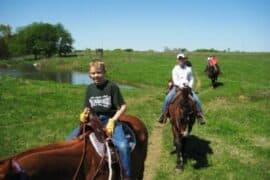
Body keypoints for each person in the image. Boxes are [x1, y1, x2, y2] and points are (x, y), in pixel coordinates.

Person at [67, 59, 131, 179]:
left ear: (104, 72)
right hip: (94, 121)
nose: (96, 76)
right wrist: (84, 114)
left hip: (109, 119)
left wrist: (113, 120)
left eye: (98, 72)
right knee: (69, 140)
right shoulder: (90, 88)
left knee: (123, 146)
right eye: (93, 73)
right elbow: (88, 106)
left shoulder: (112, 87)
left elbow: (123, 106)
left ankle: (127, 176)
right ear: (89, 74)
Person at [158, 53, 205, 125]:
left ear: (184, 59)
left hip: (187, 88)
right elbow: (175, 79)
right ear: (177, 60)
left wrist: (190, 85)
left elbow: (191, 78)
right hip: (177, 88)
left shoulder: (188, 69)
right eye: (179, 59)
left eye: (182, 59)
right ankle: (163, 114)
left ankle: (199, 116)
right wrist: (180, 86)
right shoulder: (175, 69)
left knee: (196, 99)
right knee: (167, 98)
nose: (181, 60)